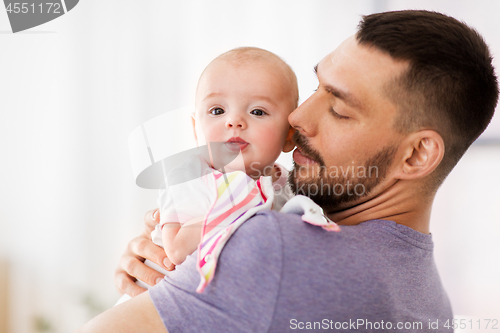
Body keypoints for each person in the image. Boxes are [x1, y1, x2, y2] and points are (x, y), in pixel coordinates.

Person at [75, 10, 498, 333]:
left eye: (338, 108)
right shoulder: (429, 298)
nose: (297, 117)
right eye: (316, 87)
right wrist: (172, 283)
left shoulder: (270, 246)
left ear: (416, 155)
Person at [116, 47, 299, 303]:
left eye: (258, 111)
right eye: (217, 111)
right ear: (195, 129)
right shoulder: (188, 175)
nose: (234, 121)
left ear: (290, 135)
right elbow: (177, 250)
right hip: (155, 299)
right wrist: (240, 214)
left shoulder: (291, 188)